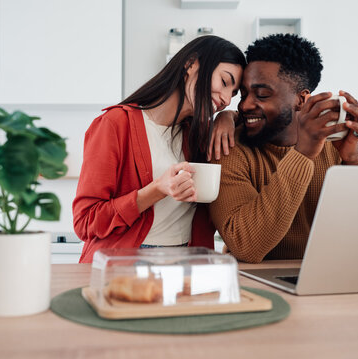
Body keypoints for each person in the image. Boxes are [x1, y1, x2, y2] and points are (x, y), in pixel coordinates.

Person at [73, 35, 246, 263]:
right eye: (225, 82)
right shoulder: (115, 124)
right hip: (125, 265)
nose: (226, 99)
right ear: (191, 64)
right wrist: (157, 189)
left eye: (234, 94)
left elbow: (252, 118)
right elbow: (85, 221)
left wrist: (227, 117)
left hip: (187, 265)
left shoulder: (202, 135)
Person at [209, 33, 358, 264]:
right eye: (243, 94)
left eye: (262, 94)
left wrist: (354, 162)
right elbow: (246, 246)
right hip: (257, 281)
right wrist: (302, 154)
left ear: (301, 99)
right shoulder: (230, 148)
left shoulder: (341, 147)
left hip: (328, 274)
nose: (244, 105)